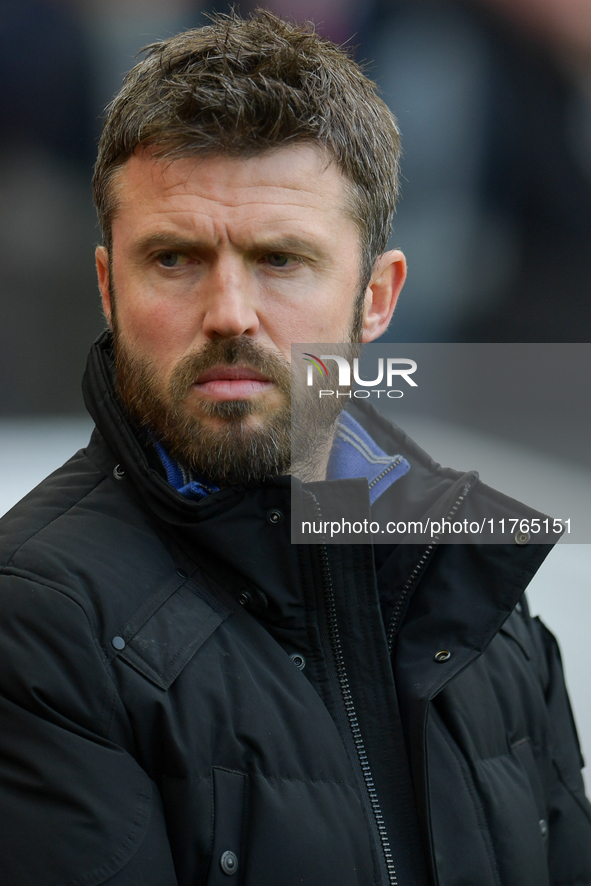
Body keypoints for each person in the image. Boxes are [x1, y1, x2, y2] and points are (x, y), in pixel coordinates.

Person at [0, 10, 589, 886]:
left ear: (377, 296)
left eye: (280, 260)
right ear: (106, 287)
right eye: (173, 258)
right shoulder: (37, 623)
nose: (230, 311)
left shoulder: (476, 588)